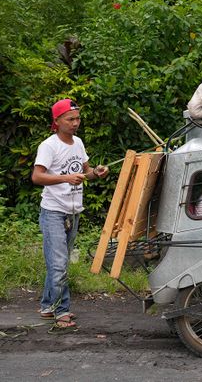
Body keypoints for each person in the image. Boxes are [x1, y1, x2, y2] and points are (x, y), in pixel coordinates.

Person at [32, 99, 109, 333]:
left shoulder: (78, 143)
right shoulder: (49, 145)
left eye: (77, 118)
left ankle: (47, 306)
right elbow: (37, 177)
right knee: (58, 264)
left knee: (59, 262)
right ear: (57, 121)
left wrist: (97, 172)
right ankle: (61, 311)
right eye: (70, 119)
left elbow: (86, 172)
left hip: (72, 212)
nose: (76, 123)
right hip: (53, 211)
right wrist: (66, 178)